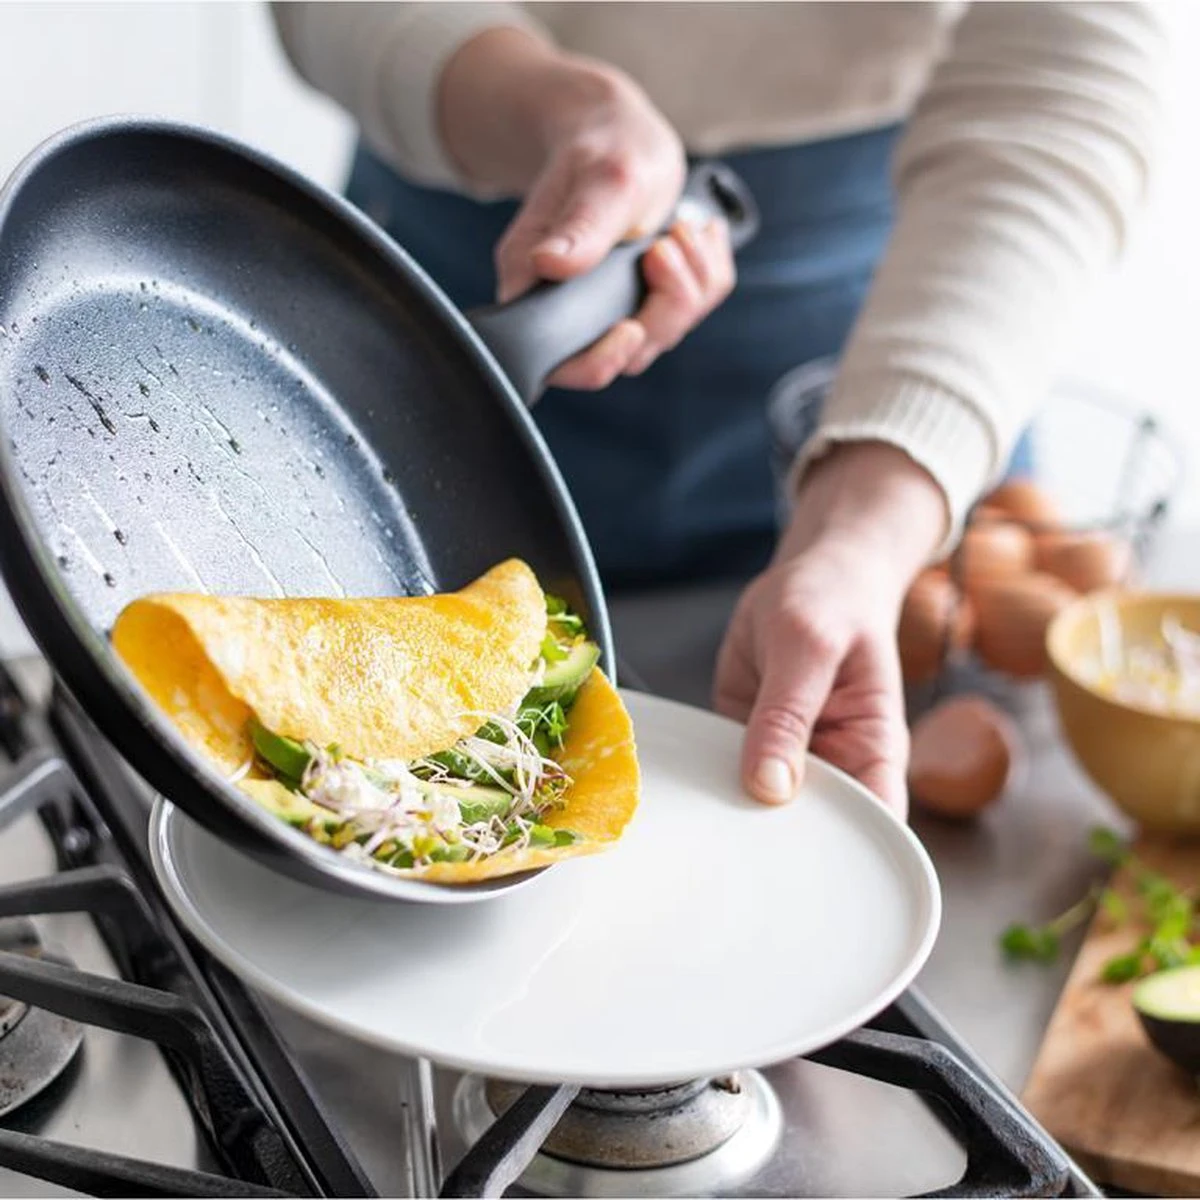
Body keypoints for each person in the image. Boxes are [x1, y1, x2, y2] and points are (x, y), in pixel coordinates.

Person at [271, 2, 1166, 817]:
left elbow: (1070, 74)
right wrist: (537, 99)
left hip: (894, 319)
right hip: (467, 220)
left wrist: (862, 532)